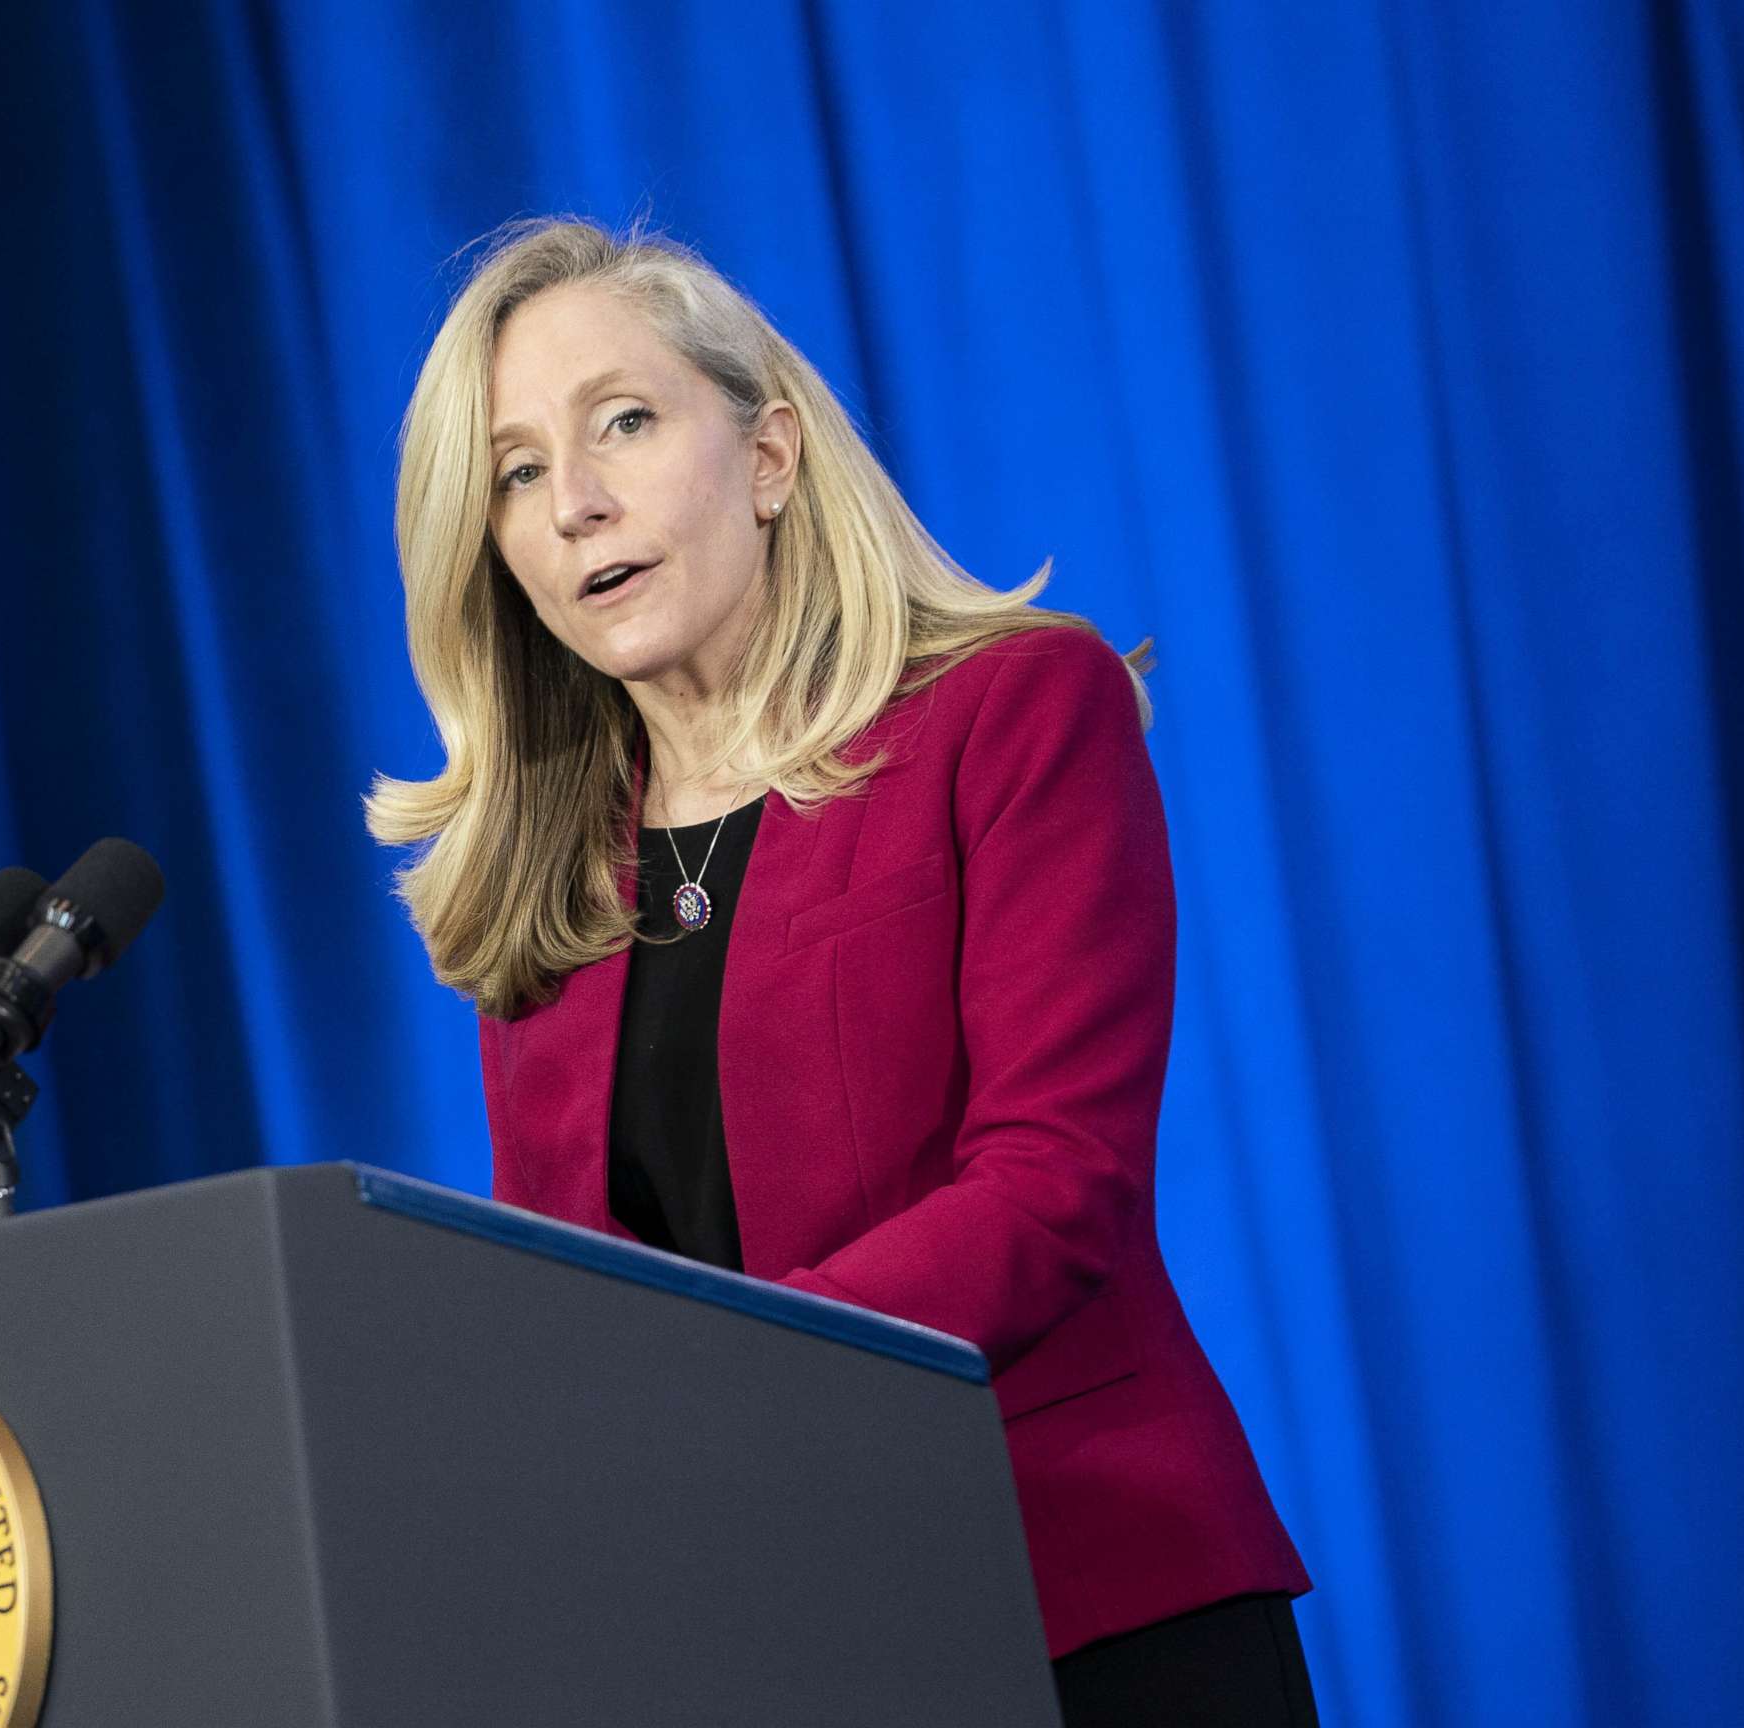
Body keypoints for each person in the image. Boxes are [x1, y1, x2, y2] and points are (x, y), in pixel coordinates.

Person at [367, 217, 1317, 1726]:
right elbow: (573, 1313)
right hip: (761, 1652)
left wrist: (727, 1381)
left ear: (771, 457)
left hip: (1078, 1599)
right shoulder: (543, 882)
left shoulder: (1014, 714)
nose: (577, 503)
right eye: (518, 473)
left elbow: (1052, 1185)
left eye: (623, 421)